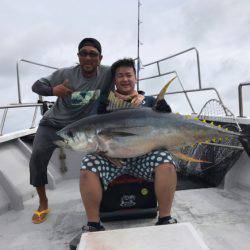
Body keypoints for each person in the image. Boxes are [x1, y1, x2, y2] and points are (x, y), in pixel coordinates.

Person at [79, 58, 177, 233]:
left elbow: (167, 125)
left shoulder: (149, 101)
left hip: (143, 157)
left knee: (166, 162)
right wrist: (105, 153)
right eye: (120, 76)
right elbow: (92, 130)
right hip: (111, 159)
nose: (125, 79)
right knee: (88, 166)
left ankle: (165, 218)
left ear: (135, 78)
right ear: (114, 80)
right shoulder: (103, 103)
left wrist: (164, 109)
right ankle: (93, 224)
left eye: (129, 75)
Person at [30, 38, 113, 224]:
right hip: (53, 124)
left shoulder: (108, 73)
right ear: (78, 56)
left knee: (105, 154)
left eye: (93, 54)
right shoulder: (65, 74)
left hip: (83, 127)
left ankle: (103, 196)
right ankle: (43, 203)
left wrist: (138, 96)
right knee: (37, 157)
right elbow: (36, 86)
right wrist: (53, 90)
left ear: (100, 58)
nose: (88, 57)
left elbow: (126, 77)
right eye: (83, 53)